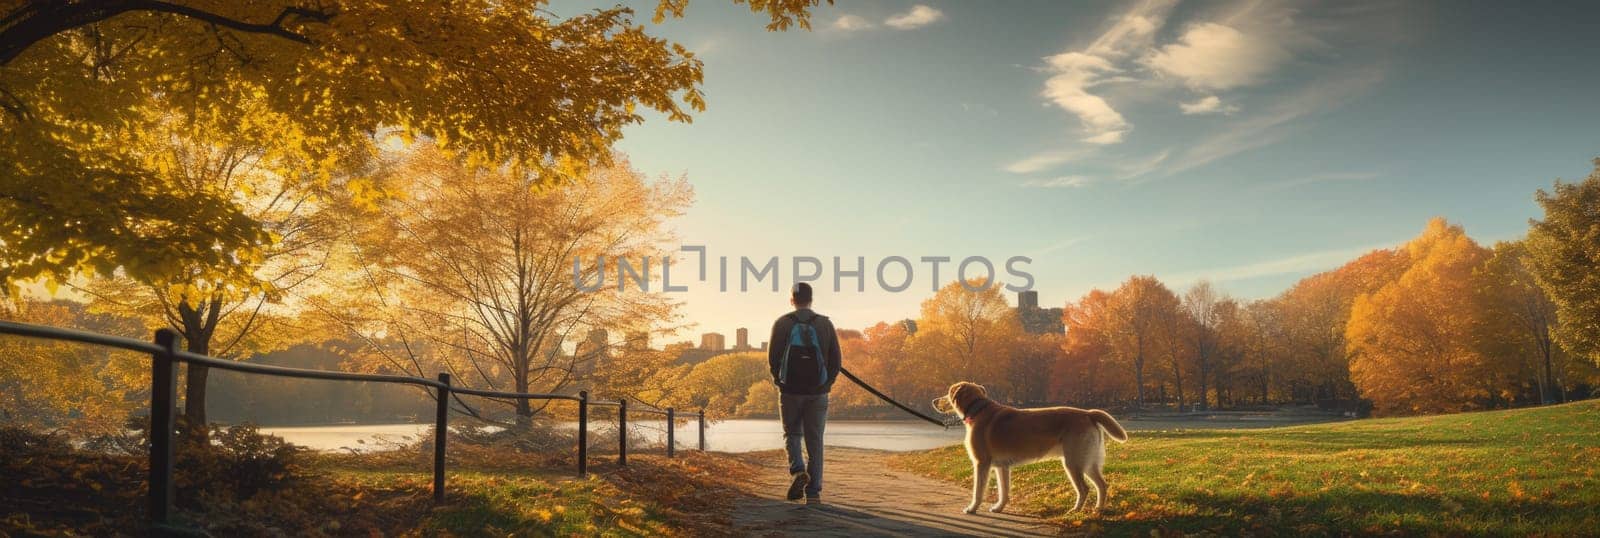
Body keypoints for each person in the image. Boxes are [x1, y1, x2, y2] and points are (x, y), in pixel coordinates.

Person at [768, 282, 842, 504]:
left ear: (792, 299)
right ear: (811, 299)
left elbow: (773, 358)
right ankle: (813, 490)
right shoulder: (825, 324)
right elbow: (836, 360)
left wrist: (779, 382)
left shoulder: (782, 323)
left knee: (792, 434)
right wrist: (826, 383)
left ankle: (798, 470)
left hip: (790, 390)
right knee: (815, 439)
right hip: (818, 392)